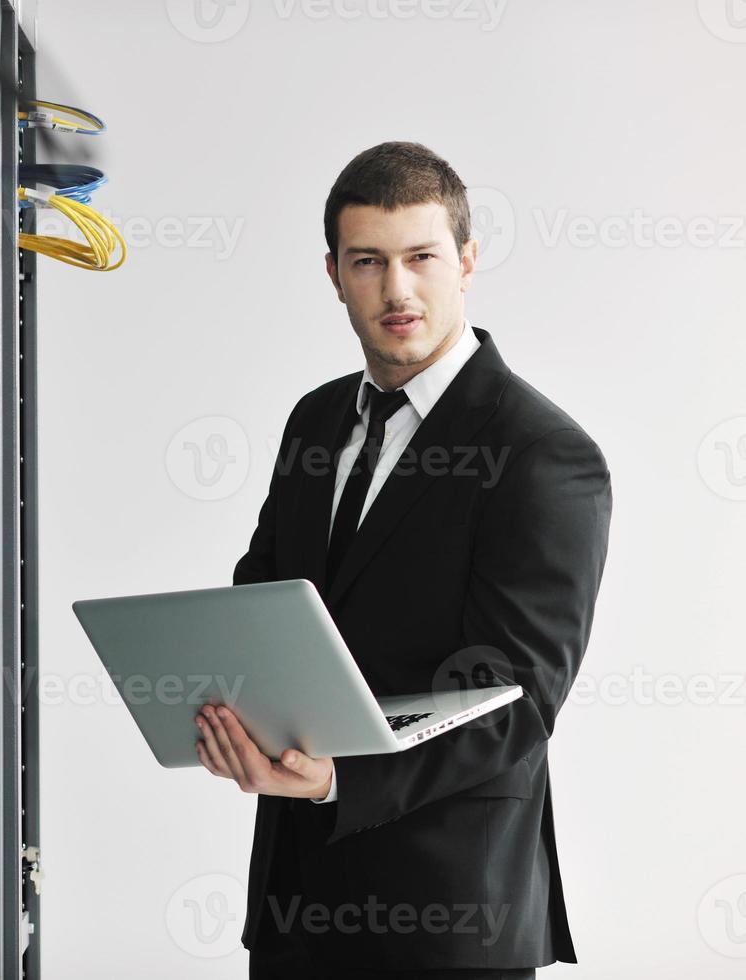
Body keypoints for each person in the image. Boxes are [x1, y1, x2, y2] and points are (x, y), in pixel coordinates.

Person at [193, 141, 612, 980]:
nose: (397, 290)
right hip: (295, 907)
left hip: (451, 919)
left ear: (465, 261)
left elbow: (517, 703)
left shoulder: (540, 451)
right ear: (333, 273)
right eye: (368, 262)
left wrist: (336, 780)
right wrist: (227, 698)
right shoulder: (316, 422)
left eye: (421, 257)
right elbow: (267, 595)